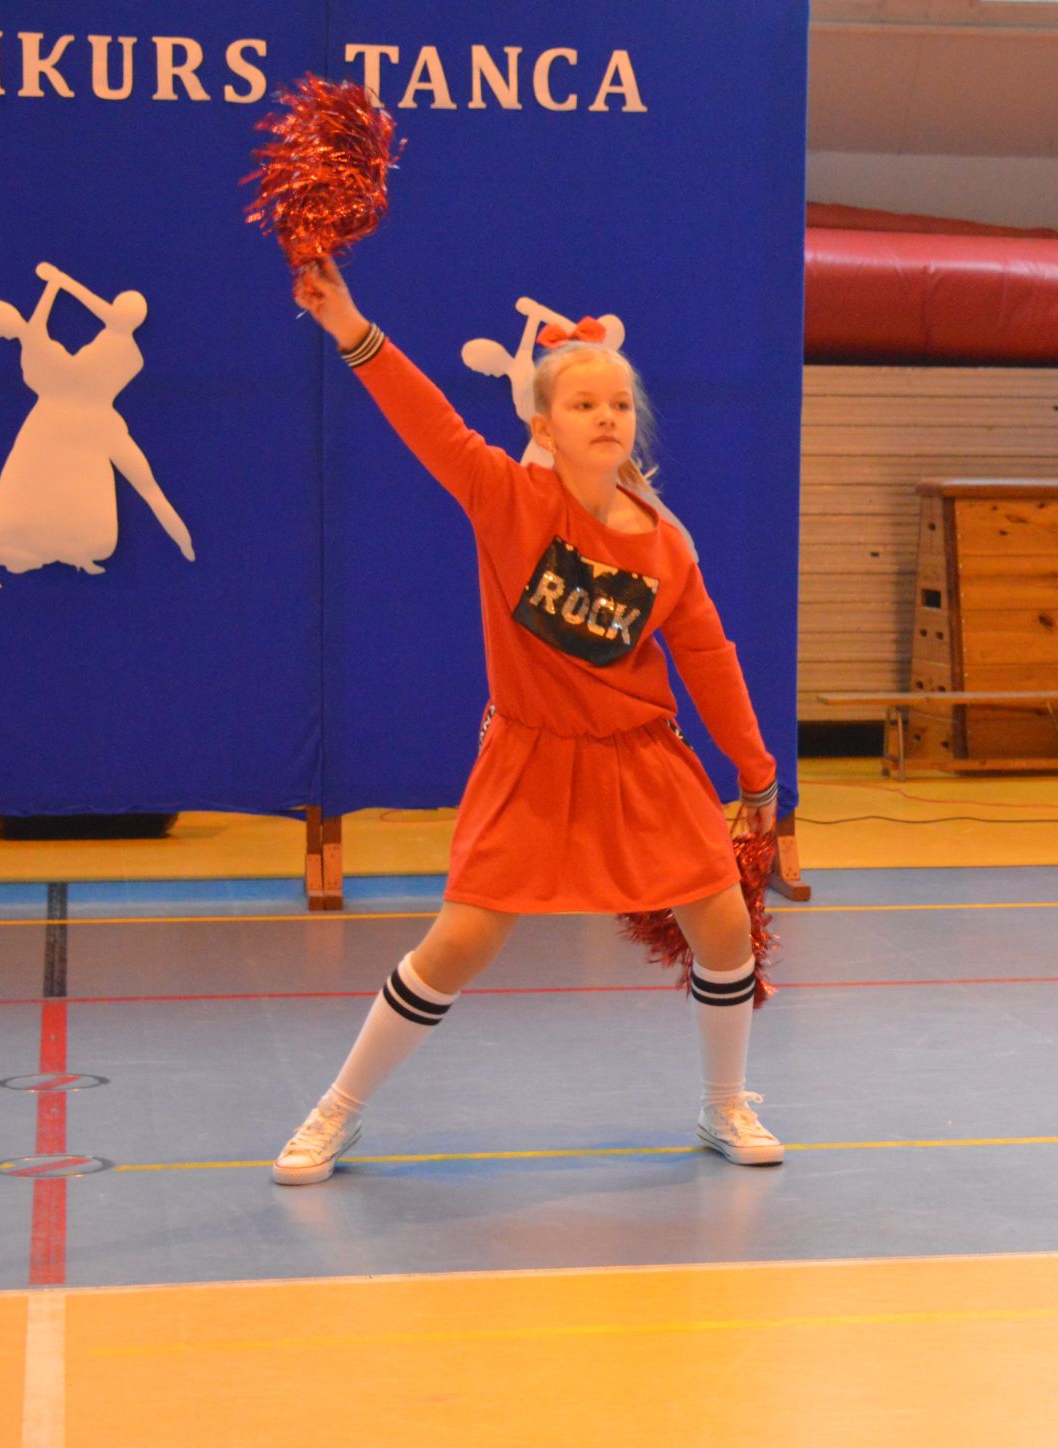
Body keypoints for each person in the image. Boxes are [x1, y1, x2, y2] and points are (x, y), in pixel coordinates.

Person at [272, 257, 783, 1184]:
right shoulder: (507, 499)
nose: (606, 417)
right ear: (544, 426)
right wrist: (348, 323)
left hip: (642, 759)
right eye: (584, 405)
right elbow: (426, 418)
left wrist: (756, 772)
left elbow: (710, 662)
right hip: (530, 758)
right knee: (458, 943)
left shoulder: (666, 546)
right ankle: (335, 1111)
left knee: (722, 928)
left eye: (619, 405)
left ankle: (725, 1104)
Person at [0, 262, 194, 586]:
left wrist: (59, 283)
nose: (2, 331)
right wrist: (56, 283)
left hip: (83, 424)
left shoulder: (111, 342)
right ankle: (27, 550)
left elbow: (92, 317)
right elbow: (44, 324)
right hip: (62, 425)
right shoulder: (44, 340)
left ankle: (169, 540)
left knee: (122, 485)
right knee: (36, 486)